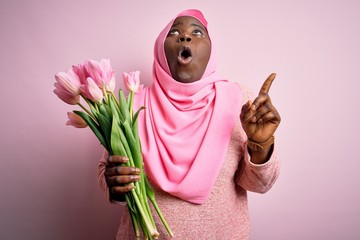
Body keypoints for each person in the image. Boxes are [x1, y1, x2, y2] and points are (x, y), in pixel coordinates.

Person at [98, 9, 281, 240]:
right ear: (160, 50)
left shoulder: (240, 101)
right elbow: (106, 171)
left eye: (197, 32)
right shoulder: (131, 105)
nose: (185, 37)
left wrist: (260, 143)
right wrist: (114, 185)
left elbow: (259, 185)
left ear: (211, 50)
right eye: (174, 32)